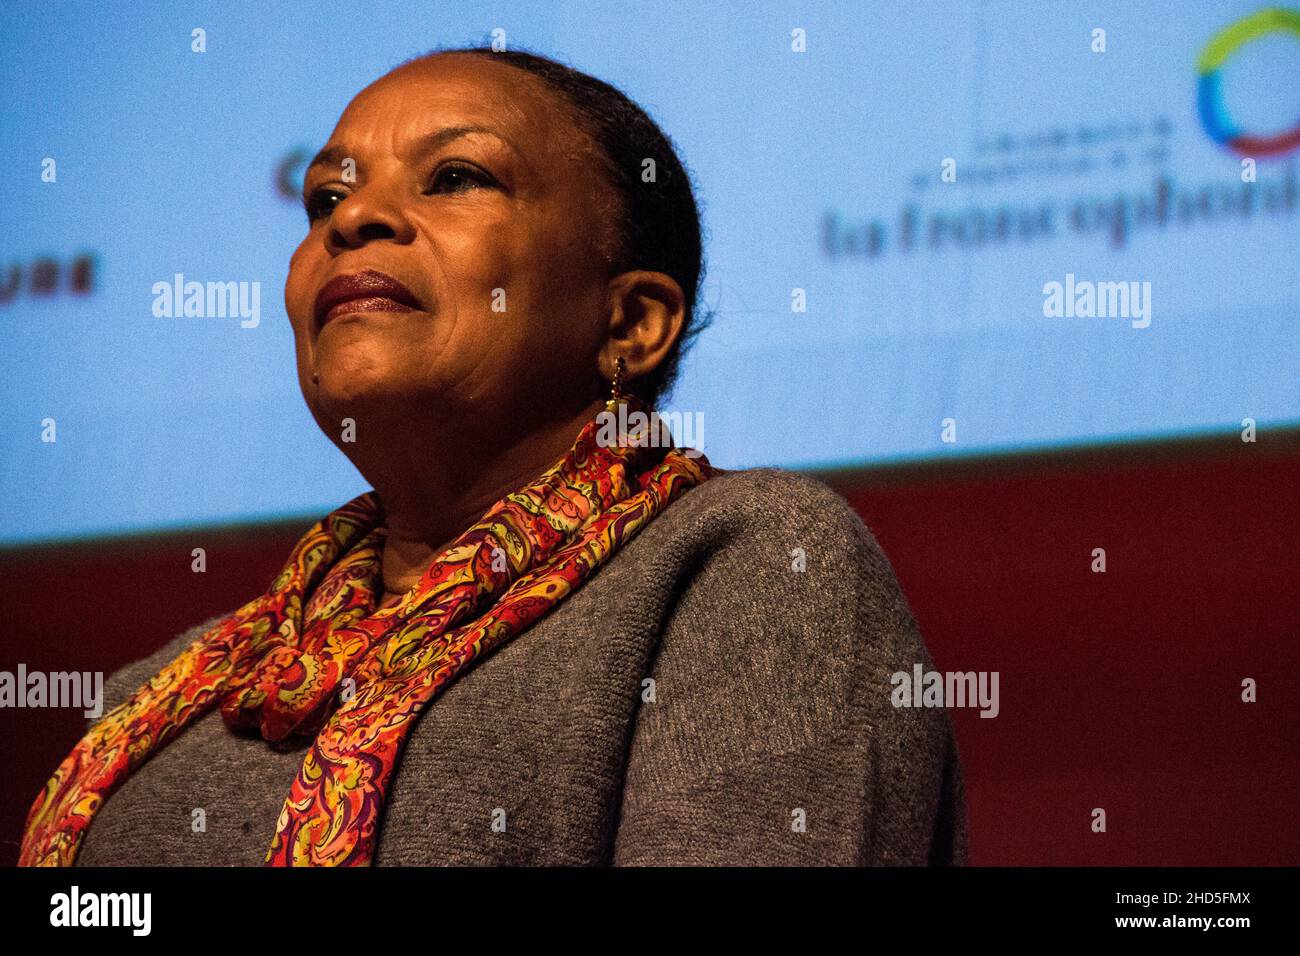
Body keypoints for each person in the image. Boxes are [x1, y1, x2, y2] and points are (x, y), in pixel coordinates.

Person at [20, 47, 965, 867]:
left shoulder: (748, 562)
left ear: (630, 323)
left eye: (456, 177)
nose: (352, 222)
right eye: (327, 197)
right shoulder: (170, 687)